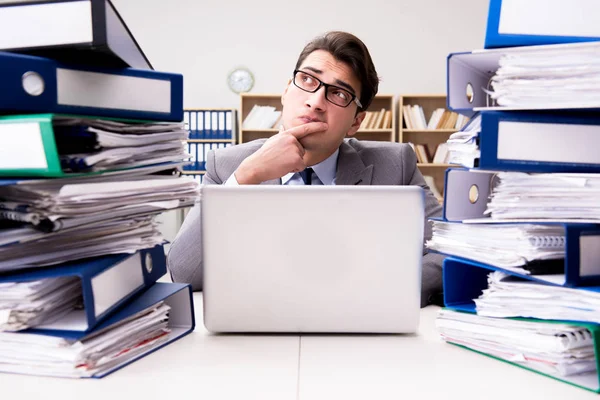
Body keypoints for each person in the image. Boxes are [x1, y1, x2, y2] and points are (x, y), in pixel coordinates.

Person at [168, 31, 445, 307]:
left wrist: (376, 290)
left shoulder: (396, 165)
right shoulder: (228, 165)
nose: (315, 101)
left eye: (338, 93)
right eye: (308, 80)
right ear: (287, 91)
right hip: (259, 328)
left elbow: (449, 251)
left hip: (359, 327)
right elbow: (184, 272)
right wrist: (246, 177)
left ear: (356, 121)